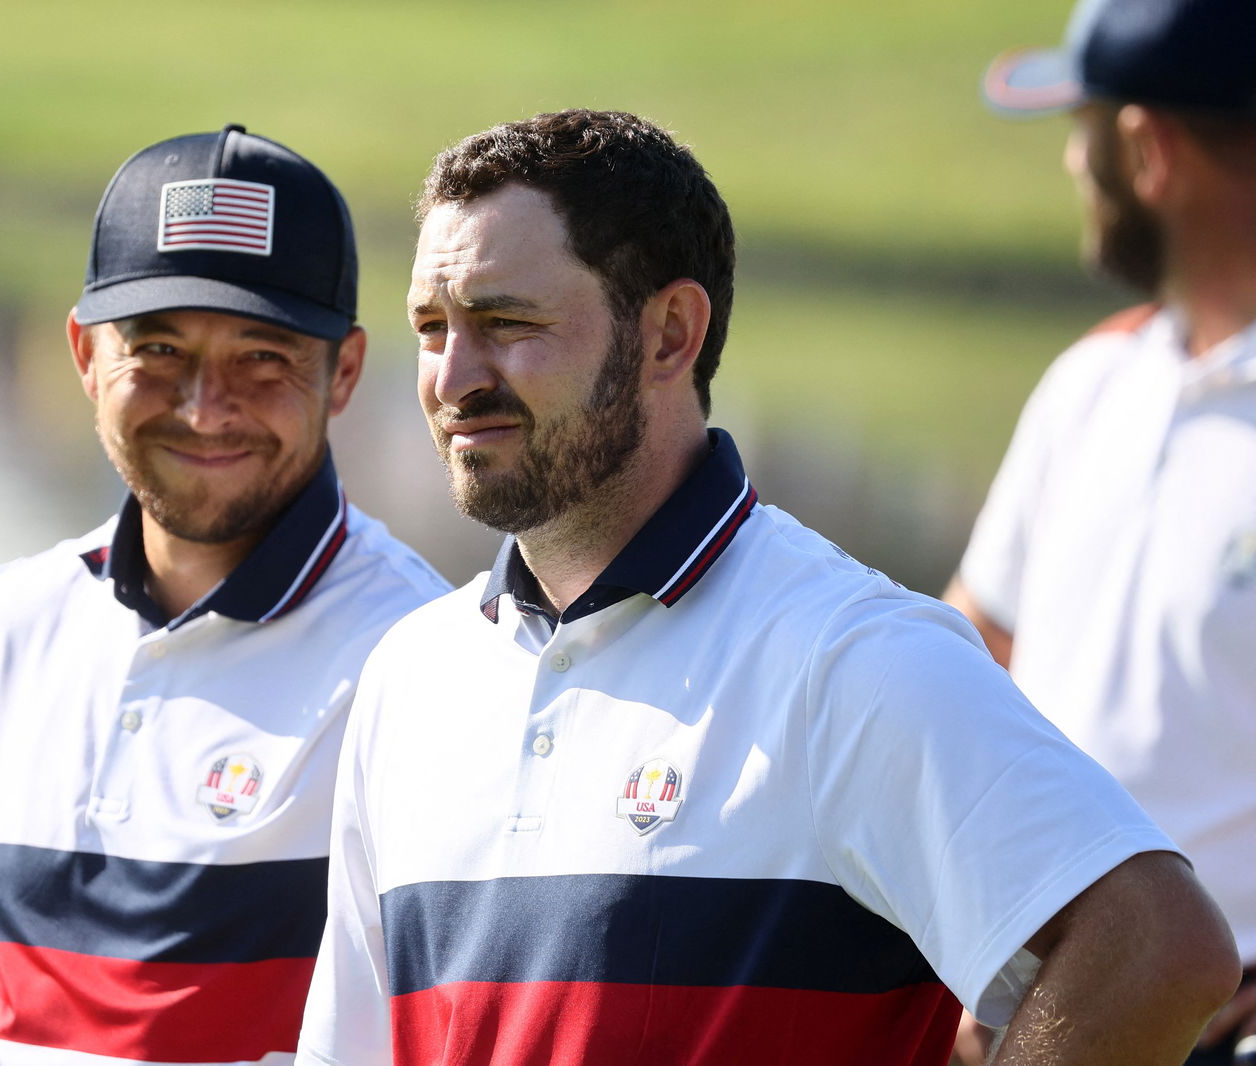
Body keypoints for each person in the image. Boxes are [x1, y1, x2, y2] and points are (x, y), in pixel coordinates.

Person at [292, 108, 1239, 1066]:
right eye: (431, 327)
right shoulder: (410, 678)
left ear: (670, 334)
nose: (454, 377)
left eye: (506, 323)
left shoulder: (854, 661)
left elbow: (1156, 948)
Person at [0, 125, 449, 1066]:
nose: (205, 408)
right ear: (84, 353)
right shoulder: (9, 623)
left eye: (263, 358)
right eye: (157, 348)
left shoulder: (421, 654)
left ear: (345, 373)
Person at [944, 0, 1256, 1062]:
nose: (1073, 168)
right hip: (1027, 1022)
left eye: (1082, 133)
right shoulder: (1090, 381)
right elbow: (967, 655)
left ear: (1144, 147)